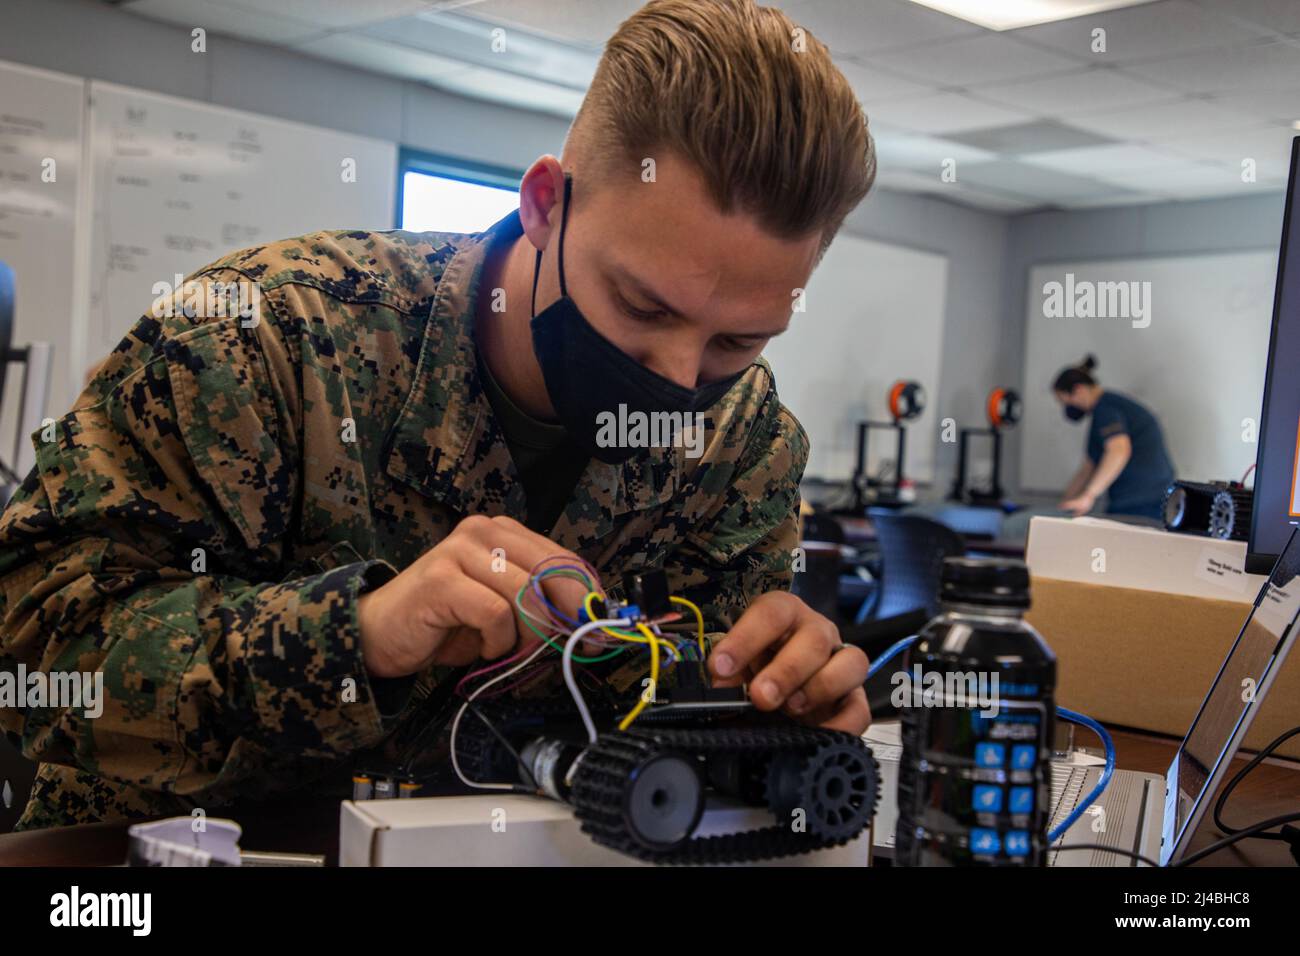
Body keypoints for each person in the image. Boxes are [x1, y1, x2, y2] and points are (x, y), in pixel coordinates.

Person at [0, 0, 877, 828]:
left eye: (738, 342)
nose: (682, 382)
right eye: (643, 308)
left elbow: (695, 735)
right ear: (545, 205)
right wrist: (357, 637)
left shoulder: (747, 446)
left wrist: (783, 708)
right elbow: (30, 655)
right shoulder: (263, 335)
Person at [1053, 355, 1175, 520]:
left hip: (1142, 501)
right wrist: (1063, 506)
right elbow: (1088, 468)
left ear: (1079, 390)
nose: (1067, 408)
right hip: (1146, 497)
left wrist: (1088, 496)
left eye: (1066, 401)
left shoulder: (1106, 409)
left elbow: (1118, 450)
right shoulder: (1104, 412)